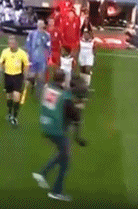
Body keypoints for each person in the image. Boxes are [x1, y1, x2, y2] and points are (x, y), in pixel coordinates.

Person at [31, 71, 87, 202]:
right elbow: (74, 116)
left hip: (45, 124)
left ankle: (43, 173)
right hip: (56, 130)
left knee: (64, 154)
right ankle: (56, 191)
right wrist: (78, 106)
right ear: (63, 80)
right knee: (65, 159)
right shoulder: (65, 97)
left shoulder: (48, 88)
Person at [0, 36, 30, 127]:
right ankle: (9, 112)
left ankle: (14, 117)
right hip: (8, 76)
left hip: (17, 76)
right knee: (9, 96)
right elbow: (1, 62)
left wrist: (26, 77)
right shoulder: (5, 52)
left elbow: (26, 65)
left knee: (16, 96)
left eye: (12, 43)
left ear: (16, 44)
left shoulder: (22, 53)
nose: (10, 45)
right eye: (9, 43)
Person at [25, 19, 51, 99]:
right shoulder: (32, 34)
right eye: (39, 24)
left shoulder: (47, 35)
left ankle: (39, 93)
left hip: (42, 58)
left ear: (43, 25)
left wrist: (48, 57)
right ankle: (32, 87)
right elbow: (28, 44)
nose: (40, 25)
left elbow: (48, 47)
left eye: (41, 24)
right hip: (33, 57)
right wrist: (28, 54)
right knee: (31, 75)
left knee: (41, 76)